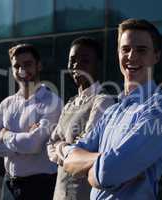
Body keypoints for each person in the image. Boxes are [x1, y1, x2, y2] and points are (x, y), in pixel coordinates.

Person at [62, 18, 162, 200]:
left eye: (141, 50)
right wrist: (102, 160)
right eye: (125, 49)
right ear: (118, 53)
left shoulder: (161, 111)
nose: (131, 57)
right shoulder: (112, 111)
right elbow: (69, 160)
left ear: (156, 56)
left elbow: (105, 174)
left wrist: (93, 167)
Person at [0, 43, 62, 200]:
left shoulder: (53, 102)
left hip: (39, 186)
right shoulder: (6, 104)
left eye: (28, 64)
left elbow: (33, 145)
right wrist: (22, 144)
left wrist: (5, 134)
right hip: (8, 185)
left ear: (38, 66)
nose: (22, 71)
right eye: (17, 66)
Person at [47, 36, 114, 200]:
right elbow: (50, 143)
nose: (76, 65)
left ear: (96, 64)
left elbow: (87, 148)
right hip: (60, 192)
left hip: (82, 194)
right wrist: (68, 149)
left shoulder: (103, 101)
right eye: (72, 60)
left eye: (84, 60)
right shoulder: (70, 103)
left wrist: (61, 145)